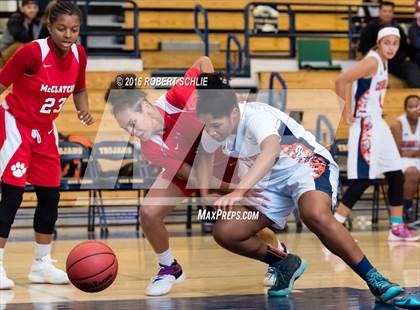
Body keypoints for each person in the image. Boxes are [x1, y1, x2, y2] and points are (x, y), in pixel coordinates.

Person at [194, 72, 404, 301]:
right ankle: (285, 264)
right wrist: (206, 193)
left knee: (314, 214)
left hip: (305, 164)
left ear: (234, 112)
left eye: (215, 125)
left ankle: (375, 278)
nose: (211, 131)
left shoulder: (256, 117)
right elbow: (204, 154)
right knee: (227, 233)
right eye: (207, 125)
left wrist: (238, 191)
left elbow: (271, 152)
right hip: (270, 181)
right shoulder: (213, 127)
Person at [106, 57, 284, 296]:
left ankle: (277, 255)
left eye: (132, 123)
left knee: (241, 218)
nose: (131, 132)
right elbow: (196, 179)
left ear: (146, 107)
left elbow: (203, 62)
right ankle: (169, 267)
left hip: (224, 157)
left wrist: (212, 93)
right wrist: (226, 189)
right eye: (125, 128)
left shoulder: (177, 99)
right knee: (148, 212)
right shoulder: (149, 146)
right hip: (195, 170)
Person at [0, 0, 93, 289]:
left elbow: (79, 87)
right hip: (16, 125)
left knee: (51, 197)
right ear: (49, 27)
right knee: (13, 196)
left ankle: (41, 263)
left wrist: (83, 108)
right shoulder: (31, 52)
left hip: (45, 129)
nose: (68, 35)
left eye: (74, 29)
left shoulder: (79, 54)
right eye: (62, 28)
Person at [334, 27, 419, 241]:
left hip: (378, 123)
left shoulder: (384, 61)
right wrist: (345, 111)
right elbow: (341, 80)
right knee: (363, 179)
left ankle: (397, 228)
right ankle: (334, 226)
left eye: (395, 43)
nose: (391, 47)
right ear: (379, 43)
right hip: (365, 125)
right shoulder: (372, 61)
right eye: (387, 42)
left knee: (395, 173)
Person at [359, 1, 420, 88]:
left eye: (390, 11)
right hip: (376, 60)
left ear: (393, 13)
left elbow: (405, 48)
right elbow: (364, 48)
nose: (387, 14)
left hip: (395, 61)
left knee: (412, 67)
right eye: (385, 11)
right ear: (379, 12)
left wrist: (397, 57)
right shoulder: (370, 27)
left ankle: (416, 92)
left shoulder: (398, 28)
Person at [391, 95, 420, 223]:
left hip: (414, 159)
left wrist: (410, 152)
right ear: (405, 108)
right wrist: (415, 153)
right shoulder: (398, 124)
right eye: (412, 107)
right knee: (412, 173)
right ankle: (407, 210)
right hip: (401, 161)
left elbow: (406, 150)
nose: (415, 109)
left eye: (418, 106)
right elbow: (399, 152)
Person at [0, 0, 43, 67]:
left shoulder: (37, 23)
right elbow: (21, 37)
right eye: (29, 7)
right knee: (21, 45)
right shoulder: (15, 20)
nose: (32, 10)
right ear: (22, 9)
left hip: (22, 53)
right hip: (4, 54)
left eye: (34, 7)